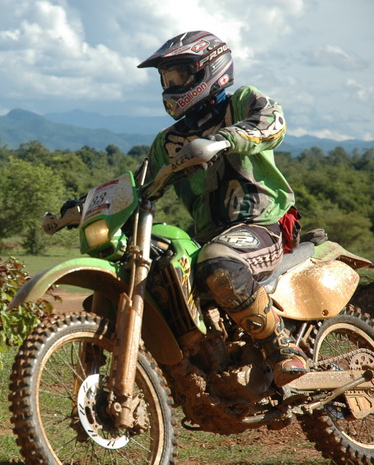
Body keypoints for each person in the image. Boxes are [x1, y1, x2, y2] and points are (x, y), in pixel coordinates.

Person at [138, 30, 307, 386]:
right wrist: (88, 205)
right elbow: (142, 184)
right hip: (210, 235)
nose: (171, 85)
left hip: (260, 224)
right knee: (162, 272)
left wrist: (223, 139)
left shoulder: (242, 102)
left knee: (218, 263)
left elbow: (272, 123)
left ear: (210, 68)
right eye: (166, 79)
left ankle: (282, 346)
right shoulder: (168, 141)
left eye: (179, 75)